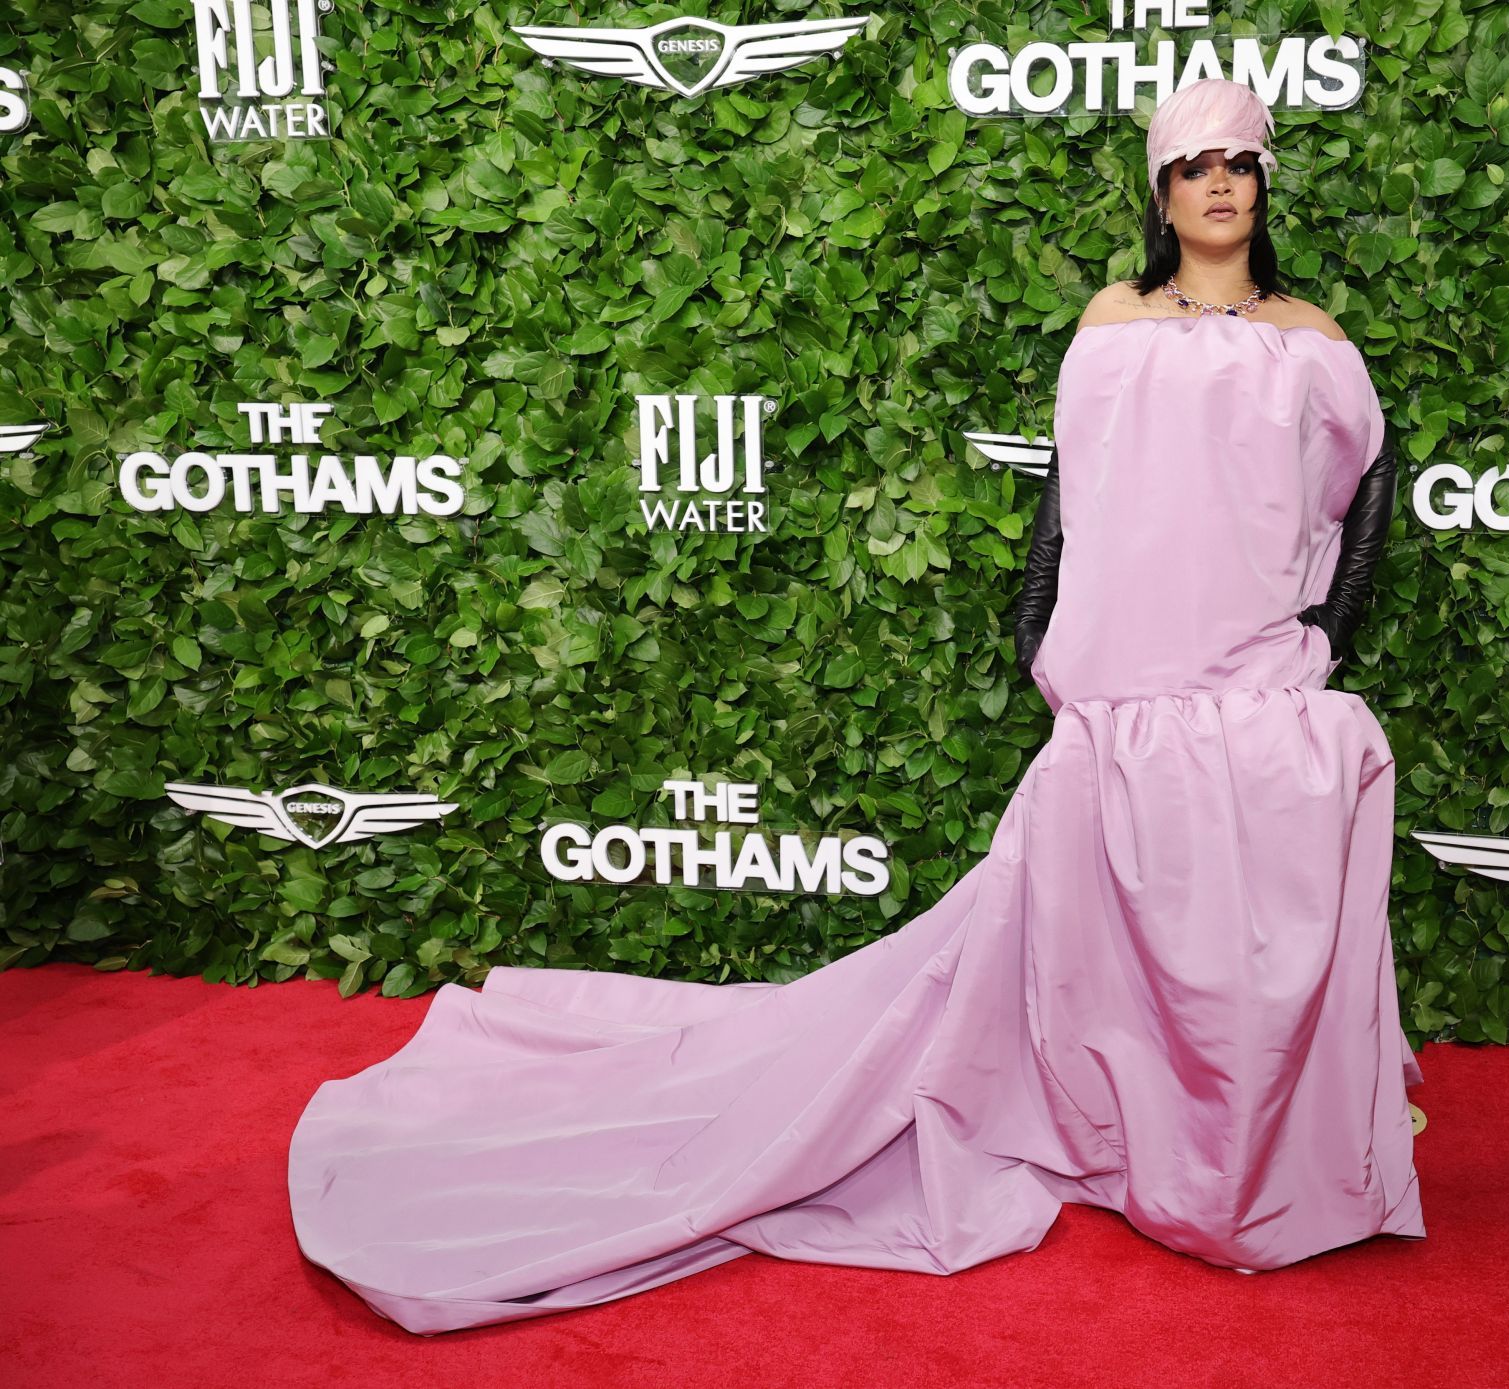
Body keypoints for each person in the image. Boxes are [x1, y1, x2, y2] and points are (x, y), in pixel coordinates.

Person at [286, 77, 1423, 1336]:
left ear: (1265, 180)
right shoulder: (1113, 318)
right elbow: (1075, 487)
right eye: (1191, 163)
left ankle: (1253, 1156)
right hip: (1131, 670)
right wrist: (1040, 608)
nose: (1218, 183)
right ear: (1159, 190)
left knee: (1254, 918)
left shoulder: (1315, 333)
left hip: (1252, 662)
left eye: (1238, 162)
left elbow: (1366, 482)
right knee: (1113, 917)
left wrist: (1331, 623)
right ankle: (1126, 1129)